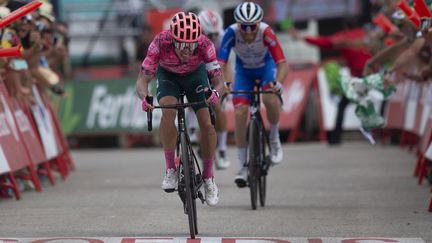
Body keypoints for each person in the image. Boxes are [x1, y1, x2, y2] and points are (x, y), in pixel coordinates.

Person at [136, 12, 225, 206]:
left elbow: (219, 82)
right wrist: (145, 97)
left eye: (191, 45)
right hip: (169, 76)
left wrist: (215, 94)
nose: (187, 49)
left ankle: (209, 178)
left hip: (196, 77)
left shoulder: (205, 44)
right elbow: (143, 79)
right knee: (168, 112)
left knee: (207, 124)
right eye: (182, 44)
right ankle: (170, 169)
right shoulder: (160, 42)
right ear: (173, 39)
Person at [218, 2, 288, 188]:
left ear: (258, 24)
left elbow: (282, 63)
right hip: (244, 73)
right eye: (244, 26)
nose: (248, 31)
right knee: (240, 113)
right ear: (238, 25)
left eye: (252, 26)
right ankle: (242, 166)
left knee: (269, 97)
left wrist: (278, 84)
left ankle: (274, 138)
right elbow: (221, 64)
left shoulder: (266, 32)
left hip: (267, 69)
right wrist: (224, 84)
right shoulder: (231, 33)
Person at [197, 9, 232, 170]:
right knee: (194, 100)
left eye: (214, 35)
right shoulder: (194, 35)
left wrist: (227, 85)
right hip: (199, 69)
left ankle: (223, 149)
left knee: (218, 107)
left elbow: (226, 65)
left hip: (217, 69)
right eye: (208, 34)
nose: (211, 38)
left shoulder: (222, 36)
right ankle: (192, 133)